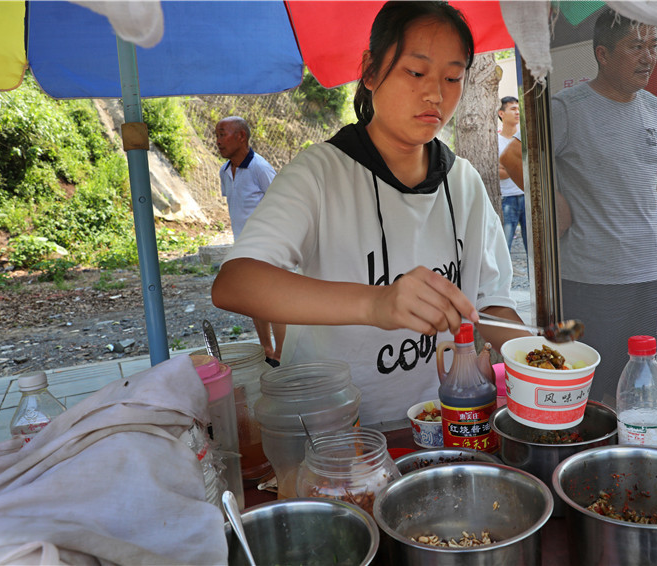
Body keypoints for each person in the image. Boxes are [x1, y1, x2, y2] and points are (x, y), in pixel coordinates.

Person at [212, 1, 528, 425]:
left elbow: (492, 306)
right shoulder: (320, 173)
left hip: (445, 423)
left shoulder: (464, 183)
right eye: (416, 72)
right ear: (371, 70)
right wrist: (376, 303)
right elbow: (236, 283)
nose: (435, 93)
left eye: (452, 77)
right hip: (335, 436)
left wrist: (536, 354)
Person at [504, 9, 657, 405]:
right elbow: (516, 156)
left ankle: (620, 454)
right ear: (603, 54)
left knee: (633, 380)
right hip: (588, 279)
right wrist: (555, 205)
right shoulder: (569, 108)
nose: (648, 57)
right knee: (585, 384)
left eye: (652, 46)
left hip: (646, 272)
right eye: (636, 46)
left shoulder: (652, 107)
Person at [215, 116, 285, 362]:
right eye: (217, 136)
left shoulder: (260, 168)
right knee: (255, 301)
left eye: (223, 134)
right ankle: (266, 350)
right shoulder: (225, 171)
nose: (218, 142)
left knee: (274, 303)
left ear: (241, 137)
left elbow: (282, 202)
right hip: (244, 247)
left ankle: (281, 354)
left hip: (267, 247)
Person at [497, 96, 527, 256]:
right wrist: (518, 165)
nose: (517, 112)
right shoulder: (496, 141)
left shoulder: (524, 139)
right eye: (512, 109)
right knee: (504, 249)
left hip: (527, 196)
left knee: (535, 251)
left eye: (518, 108)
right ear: (501, 113)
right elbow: (499, 173)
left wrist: (508, 165)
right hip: (507, 199)